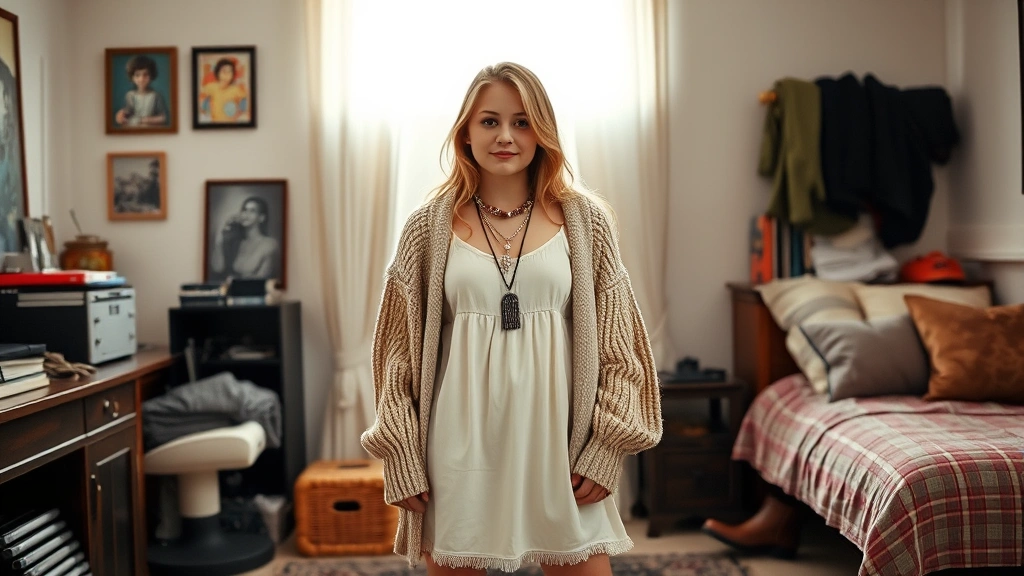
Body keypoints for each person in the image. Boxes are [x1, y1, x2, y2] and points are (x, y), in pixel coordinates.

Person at [360, 62, 663, 575]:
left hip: (561, 452)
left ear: (542, 131)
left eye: (522, 121)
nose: (505, 136)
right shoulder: (425, 229)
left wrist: (606, 447)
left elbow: (622, 349)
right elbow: (396, 359)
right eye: (489, 121)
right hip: (458, 454)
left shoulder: (585, 222)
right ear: (465, 132)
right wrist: (403, 455)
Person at [210, 196, 279, 280]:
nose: (246, 214)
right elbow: (217, 269)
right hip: (233, 290)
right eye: (244, 210)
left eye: (252, 211)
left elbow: (262, 279)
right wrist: (220, 238)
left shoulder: (269, 244)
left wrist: (235, 281)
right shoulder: (237, 242)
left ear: (261, 218)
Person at [114, 55, 169, 127]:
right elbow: (127, 112)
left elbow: (163, 118)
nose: (141, 79)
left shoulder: (156, 95)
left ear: (151, 76)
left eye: (145, 75)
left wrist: (141, 120)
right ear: (132, 77)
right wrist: (121, 115)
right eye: (137, 75)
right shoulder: (130, 95)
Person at [199, 58, 249, 123]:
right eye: (224, 71)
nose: (227, 74)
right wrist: (205, 108)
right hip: (214, 124)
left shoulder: (236, 89)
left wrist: (238, 113)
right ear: (218, 73)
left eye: (229, 72)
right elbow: (200, 99)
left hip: (231, 125)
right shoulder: (211, 87)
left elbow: (246, 104)